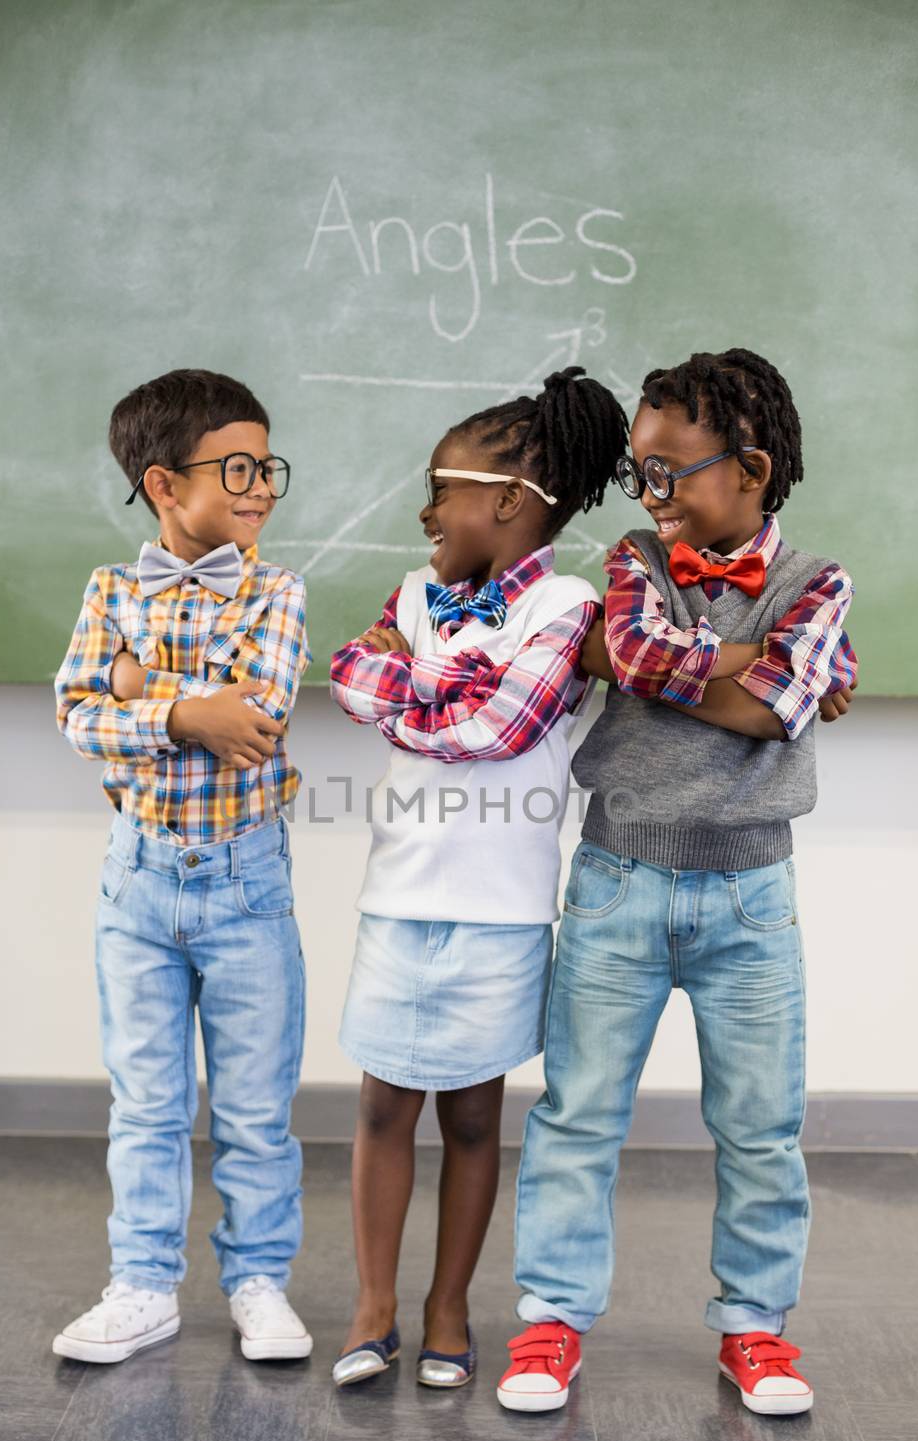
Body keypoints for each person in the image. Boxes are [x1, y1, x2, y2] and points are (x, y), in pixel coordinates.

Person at [497, 348, 856, 1415]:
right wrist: (779, 665)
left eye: (668, 473)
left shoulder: (818, 580)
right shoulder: (632, 557)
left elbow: (741, 702)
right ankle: (550, 1321)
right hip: (616, 876)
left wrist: (721, 670)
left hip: (751, 897)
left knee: (759, 1124)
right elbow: (634, 656)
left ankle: (753, 1328)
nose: (646, 495)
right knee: (577, 1113)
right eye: (639, 475)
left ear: (747, 468)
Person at [328, 367, 628, 1388]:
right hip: (397, 897)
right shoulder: (413, 591)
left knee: (468, 1119)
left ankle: (445, 1306)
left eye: (437, 487)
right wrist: (445, 692)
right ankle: (372, 1307)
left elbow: (503, 727)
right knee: (380, 1109)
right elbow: (344, 673)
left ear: (502, 500)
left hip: (499, 914)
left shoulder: (568, 603)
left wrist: (405, 686)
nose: (422, 511)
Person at [52, 368, 313, 1364]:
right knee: (147, 1103)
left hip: (247, 887)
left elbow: (260, 710)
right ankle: (142, 1284)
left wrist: (136, 681)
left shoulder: (277, 588)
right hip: (137, 886)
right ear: (165, 485)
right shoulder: (108, 589)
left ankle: (256, 1280)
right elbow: (78, 717)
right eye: (238, 468)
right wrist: (178, 710)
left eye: (266, 468)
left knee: (254, 1109)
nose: (260, 488)